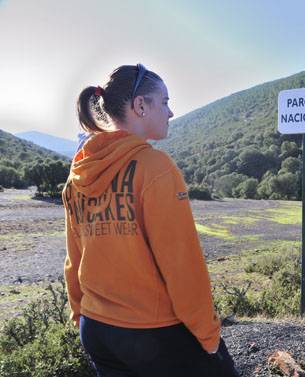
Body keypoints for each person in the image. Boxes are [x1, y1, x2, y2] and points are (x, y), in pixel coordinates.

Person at [62, 64, 239, 376]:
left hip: (96, 329)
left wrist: (80, 313)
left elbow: (74, 257)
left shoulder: (77, 174)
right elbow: (182, 264)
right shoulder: (155, 168)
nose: (170, 112)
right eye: (165, 102)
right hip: (151, 333)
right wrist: (208, 336)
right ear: (140, 106)